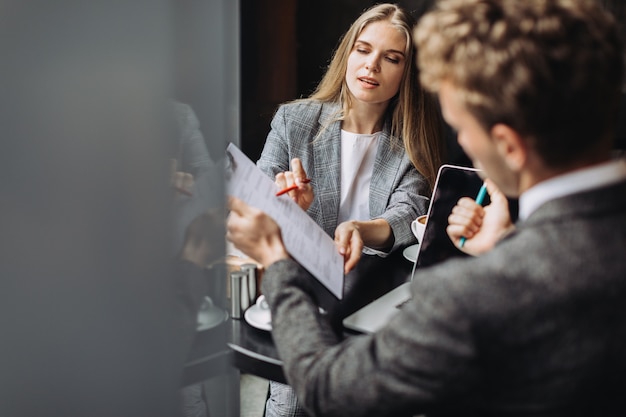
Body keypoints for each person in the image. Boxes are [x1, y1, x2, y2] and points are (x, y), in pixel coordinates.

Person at [226, 0, 626, 415]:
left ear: (507, 146)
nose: (464, 144)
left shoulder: (468, 296)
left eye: (464, 129)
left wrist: (275, 259)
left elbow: (331, 389)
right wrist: (503, 246)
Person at [255, 4, 446, 415]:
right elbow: (256, 200)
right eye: (363, 50)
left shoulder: (410, 142)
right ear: (348, 54)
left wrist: (362, 228)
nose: (372, 65)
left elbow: (409, 211)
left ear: (407, 73)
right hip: (300, 302)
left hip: (370, 310)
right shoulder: (294, 120)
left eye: (391, 58)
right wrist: (284, 204)